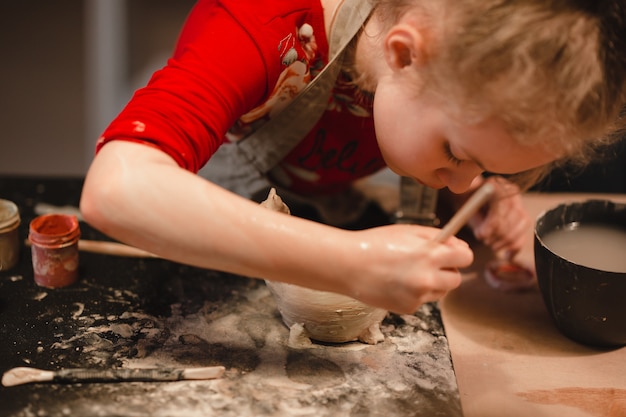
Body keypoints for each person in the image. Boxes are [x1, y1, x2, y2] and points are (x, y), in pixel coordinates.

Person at [80, 0, 626, 314]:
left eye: (486, 169)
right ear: (405, 54)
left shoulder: (430, 84)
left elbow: (432, 142)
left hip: (319, 199)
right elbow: (116, 190)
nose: (462, 183)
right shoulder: (265, 25)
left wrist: (483, 199)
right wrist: (353, 263)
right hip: (193, 239)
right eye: (456, 154)